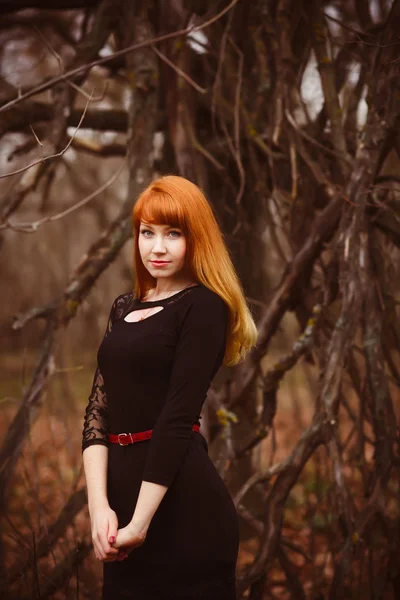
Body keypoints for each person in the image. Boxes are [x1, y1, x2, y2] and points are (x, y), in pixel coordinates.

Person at [81, 175, 258, 599]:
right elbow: (96, 414)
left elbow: (178, 420)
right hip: (121, 506)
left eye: (173, 234)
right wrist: (98, 508)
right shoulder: (124, 307)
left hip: (183, 510)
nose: (157, 248)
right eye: (147, 233)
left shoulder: (204, 307)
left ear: (196, 240)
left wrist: (140, 523)